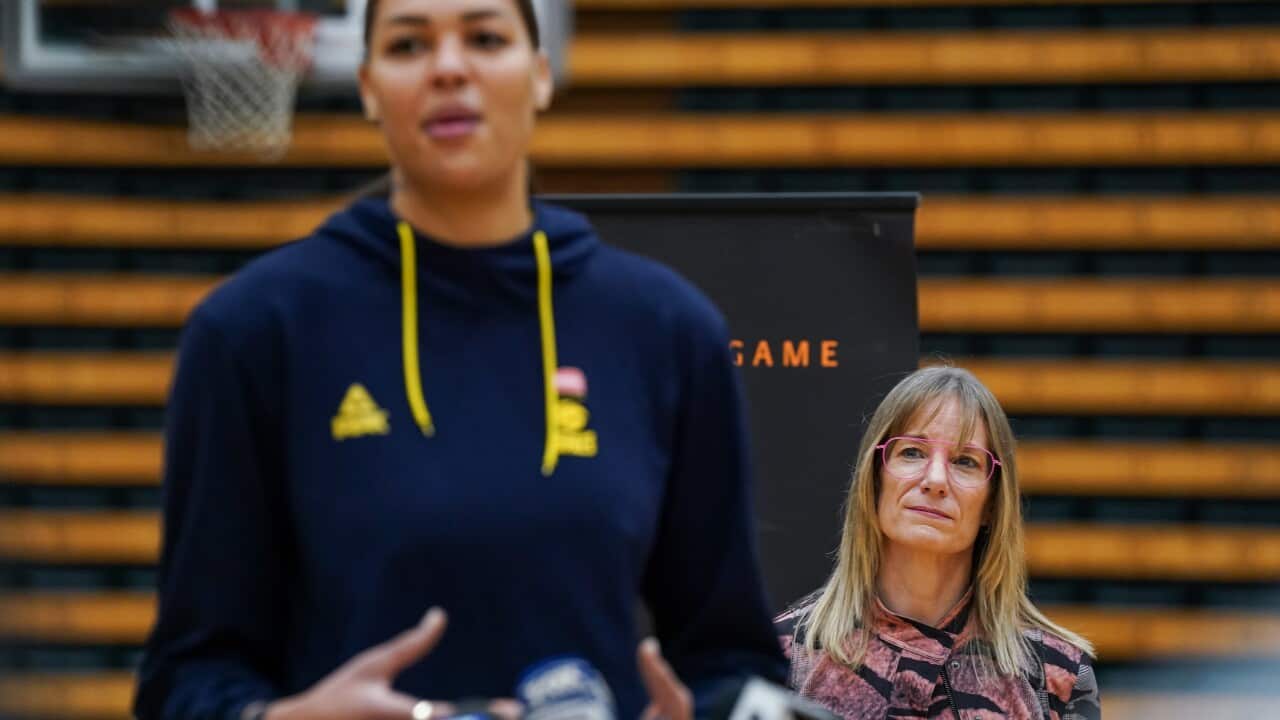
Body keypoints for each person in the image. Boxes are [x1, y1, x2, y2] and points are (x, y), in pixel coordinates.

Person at [133, 0, 785, 717]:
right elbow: (185, 679)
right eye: (410, 45)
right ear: (368, 87)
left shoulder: (668, 329)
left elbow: (730, 661)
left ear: (539, 75)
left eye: (484, 37)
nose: (449, 68)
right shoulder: (252, 330)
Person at [776, 367, 1100, 720]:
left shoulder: (1057, 676)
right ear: (875, 480)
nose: (935, 480)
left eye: (965, 461)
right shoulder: (784, 656)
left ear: (992, 504)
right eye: (913, 452)